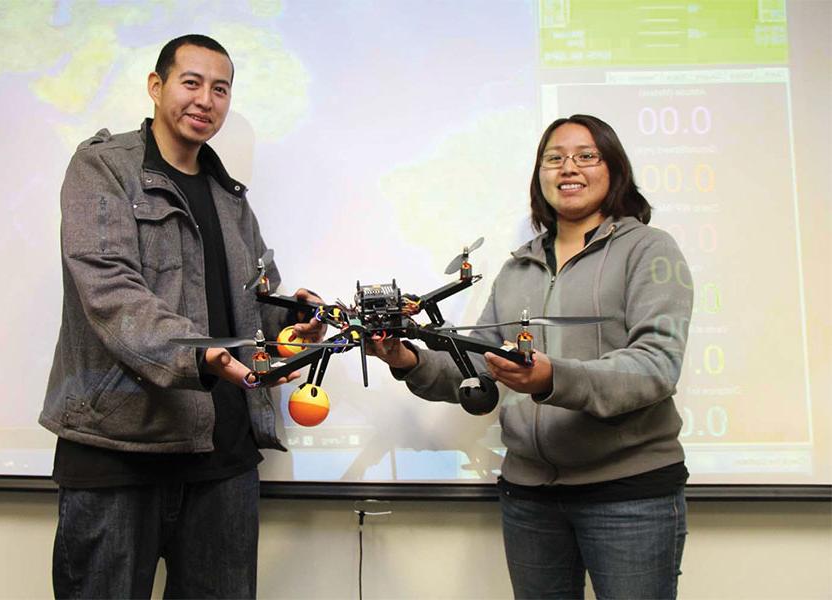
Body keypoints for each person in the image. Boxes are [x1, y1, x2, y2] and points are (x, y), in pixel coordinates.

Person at [39, 34, 323, 599]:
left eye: (220, 89)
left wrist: (290, 323)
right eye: (191, 83)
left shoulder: (230, 195)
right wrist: (197, 353)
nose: (205, 100)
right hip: (118, 451)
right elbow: (110, 290)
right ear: (156, 86)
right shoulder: (101, 168)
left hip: (223, 457)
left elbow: (254, 299)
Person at [371, 114, 693, 599]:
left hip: (629, 494)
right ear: (539, 176)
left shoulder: (649, 251)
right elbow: (475, 365)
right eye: (554, 158)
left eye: (586, 156)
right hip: (530, 498)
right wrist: (405, 360)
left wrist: (550, 379)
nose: (569, 168)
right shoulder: (517, 267)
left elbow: (655, 367)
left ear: (614, 171)